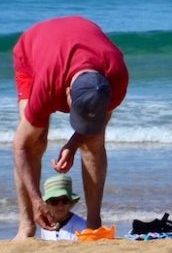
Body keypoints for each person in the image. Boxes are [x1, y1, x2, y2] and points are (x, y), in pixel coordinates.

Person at [11, 15, 129, 240]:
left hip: (80, 45)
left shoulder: (116, 77)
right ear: (67, 94)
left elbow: (99, 122)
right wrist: (37, 200)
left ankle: (94, 226)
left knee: (93, 141)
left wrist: (74, 143)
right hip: (33, 52)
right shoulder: (47, 85)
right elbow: (20, 147)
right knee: (35, 143)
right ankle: (26, 227)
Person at [35, 174, 87, 241]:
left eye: (65, 201)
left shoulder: (82, 226)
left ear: (70, 202)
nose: (60, 207)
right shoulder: (45, 225)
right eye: (54, 201)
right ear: (46, 204)